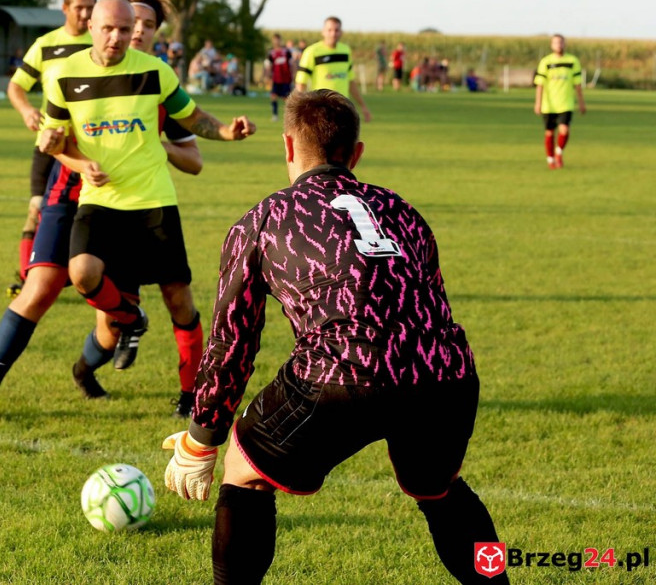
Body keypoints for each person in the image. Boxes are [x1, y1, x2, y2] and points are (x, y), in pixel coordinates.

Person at [162, 89, 507, 585]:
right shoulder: (403, 211)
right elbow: (429, 302)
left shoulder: (261, 220)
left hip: (342, 373)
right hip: (445, 374)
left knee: (245, 468)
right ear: (357, 154)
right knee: (439, 488)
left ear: (287, 147)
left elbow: (232, 341)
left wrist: (203, 438)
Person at [0, 0, 234, 423]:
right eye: (123, 24)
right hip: (74, 189)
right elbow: (48, 128)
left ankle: (91, 367)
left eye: (140, 26)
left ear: (151, 34)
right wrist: (50, 142)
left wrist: (171, 144)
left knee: (114, 320)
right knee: (42, 286)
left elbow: (195, 147)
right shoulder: (62, 61)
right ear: (92, 25)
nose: (129, 34)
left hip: (139, 200)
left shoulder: (156, 79)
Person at [34, 0, 255, 406]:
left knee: (180, 299)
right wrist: (69, 155)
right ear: (92, 28)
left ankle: (191, 394)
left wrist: (227, 132)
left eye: (124, 28)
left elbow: (191, 118)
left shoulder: (155, 72)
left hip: (153, 200)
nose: (118, 37)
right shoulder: (64, 75)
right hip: (100, 200)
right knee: (81, 273)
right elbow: (55, 139)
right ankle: (131, 320)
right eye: (109, 28)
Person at [6, 0, 97, 295]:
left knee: (90, 214)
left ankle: (89, 275)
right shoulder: (46, 44)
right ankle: (27, 278)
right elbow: (16, 86)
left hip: (90, 145)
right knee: (35, 208)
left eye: (90, 8)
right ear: (65, 8)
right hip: (50, 145)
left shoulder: (99, 44)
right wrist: (27, 111)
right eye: (79, 8)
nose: (85, 14)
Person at [295, 17, 372, 122]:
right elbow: (301, 83)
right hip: (321, 108)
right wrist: (300, 110)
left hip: (343, 107)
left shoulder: (345, 51)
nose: (333, 34)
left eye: (336, 30)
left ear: (341, 32)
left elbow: (350, 81)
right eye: (329, 30)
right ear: (323, 32)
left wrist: (363, 106)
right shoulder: (312, 52)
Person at [534, 34, 586, 169]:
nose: (559, 45)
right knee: (549, 132)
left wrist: (581, 102)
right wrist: (538, 102)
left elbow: (578, 84)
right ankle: (550, 159)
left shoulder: (572, 61)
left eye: (561, 42)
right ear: (551, 45)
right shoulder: (546, 62)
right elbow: (540, 84)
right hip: (548, 104)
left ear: (565, 44)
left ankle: (559, 153)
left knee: (564, 129)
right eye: (556, 43)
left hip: (566, 102)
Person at [264, 34, 293, 121]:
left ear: (281, 40)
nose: (277, 42)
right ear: (273, 41)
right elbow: (268, 66)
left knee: (286, 98)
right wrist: (268, 76)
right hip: (276, 78)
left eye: (278, 40)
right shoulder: (271, 53)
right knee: (273, 96)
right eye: (275, 40)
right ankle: (275, 115)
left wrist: (294, 74)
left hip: (285, 78)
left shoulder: (286, 52)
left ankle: (290, 117)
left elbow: (291, 64)